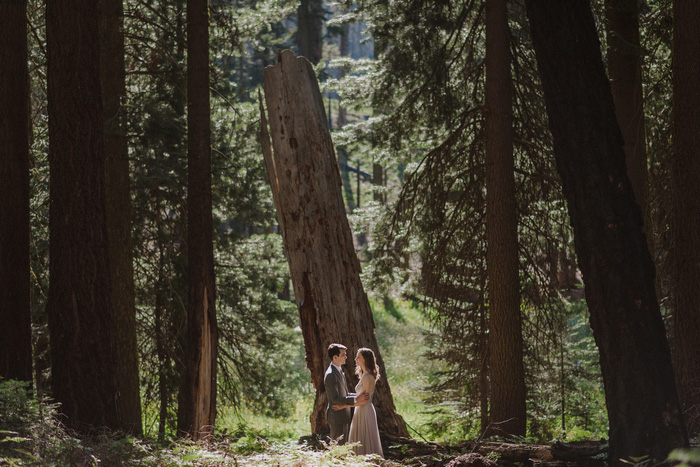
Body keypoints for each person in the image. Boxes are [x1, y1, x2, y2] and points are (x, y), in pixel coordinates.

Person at [333, 347, 384, 459]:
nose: (355, 359)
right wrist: (346, 397)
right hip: (361, 410)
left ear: (365, 359)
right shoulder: (365, 375)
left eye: (358, 357)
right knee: (360, 439)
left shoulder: (367, 377)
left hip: (364, 411)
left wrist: (343, 405)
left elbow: (363, 401)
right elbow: (360, 397)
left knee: (364, 439)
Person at [324, 343, 369, 444]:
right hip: (336, 417)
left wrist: (358, 396)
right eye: (343, 355)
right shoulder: (331, 374)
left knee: (343, 447)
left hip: (344, 416)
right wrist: (357, 399)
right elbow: (335, 399)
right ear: (335, 357)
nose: (346, 357)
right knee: (337, 448)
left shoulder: (339, 370)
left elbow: (345, 393)